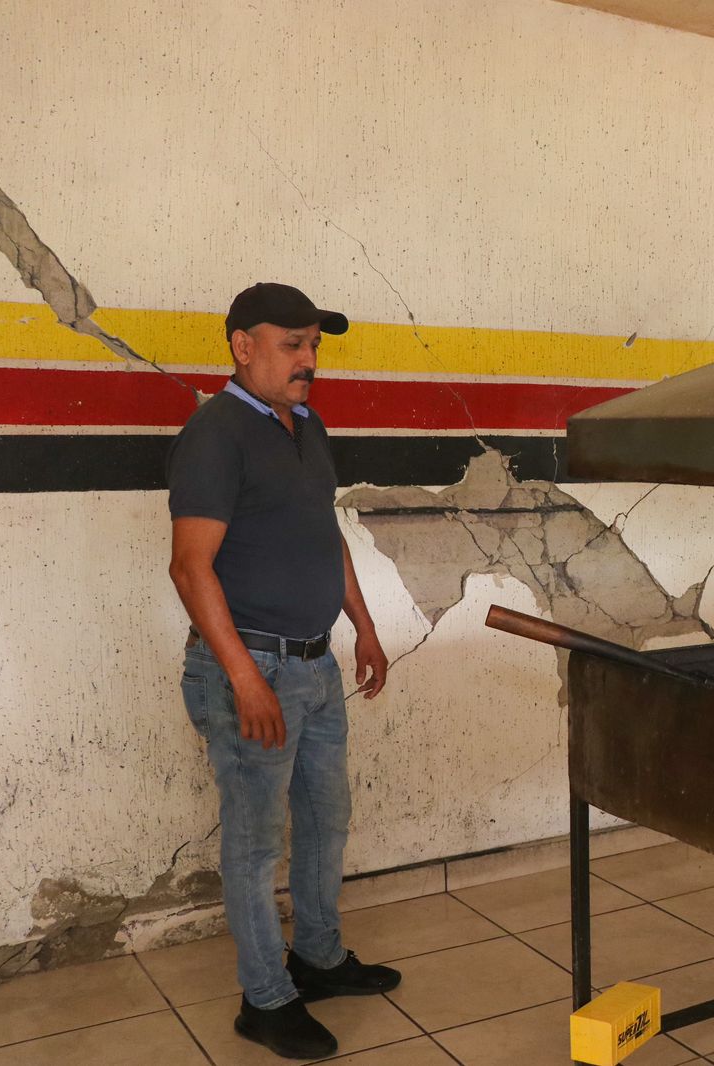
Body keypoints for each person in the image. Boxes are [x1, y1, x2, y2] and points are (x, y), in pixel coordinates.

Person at [168, 283, 397, 1059]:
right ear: (242, 345)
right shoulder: (216, 432)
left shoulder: (306, 426)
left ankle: (319, 957)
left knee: (327, 820)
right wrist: (243, 677)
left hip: (316, 661)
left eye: (315, 347)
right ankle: (265, 999)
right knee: (256, 843)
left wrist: (363, 625)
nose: (308, 361)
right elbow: (190, 568)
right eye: (292, 345)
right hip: (252, 669)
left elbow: (321, 531)